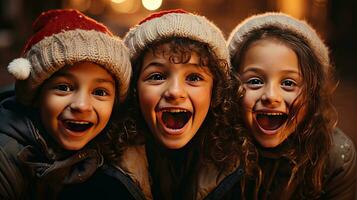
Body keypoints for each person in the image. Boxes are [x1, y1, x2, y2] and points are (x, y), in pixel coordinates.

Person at [93, 9, 247, 200]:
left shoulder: (244, 173)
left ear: (215, 91)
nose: (175, 92)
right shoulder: (98, 171)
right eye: (157, 76)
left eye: (193, 77)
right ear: (134, 90)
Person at [0, 9, 131, 199]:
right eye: (64, 87)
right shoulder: (7, 158)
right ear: (37, 96)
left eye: (100, 92)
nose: (82, 105)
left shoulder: (114, 147)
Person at [227, 12, 357, 199]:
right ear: (231, 86)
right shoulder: (214, 144)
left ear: (312, 94)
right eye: (255, 81)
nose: (271, 96)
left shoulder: (335, 157)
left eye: (288, 83)